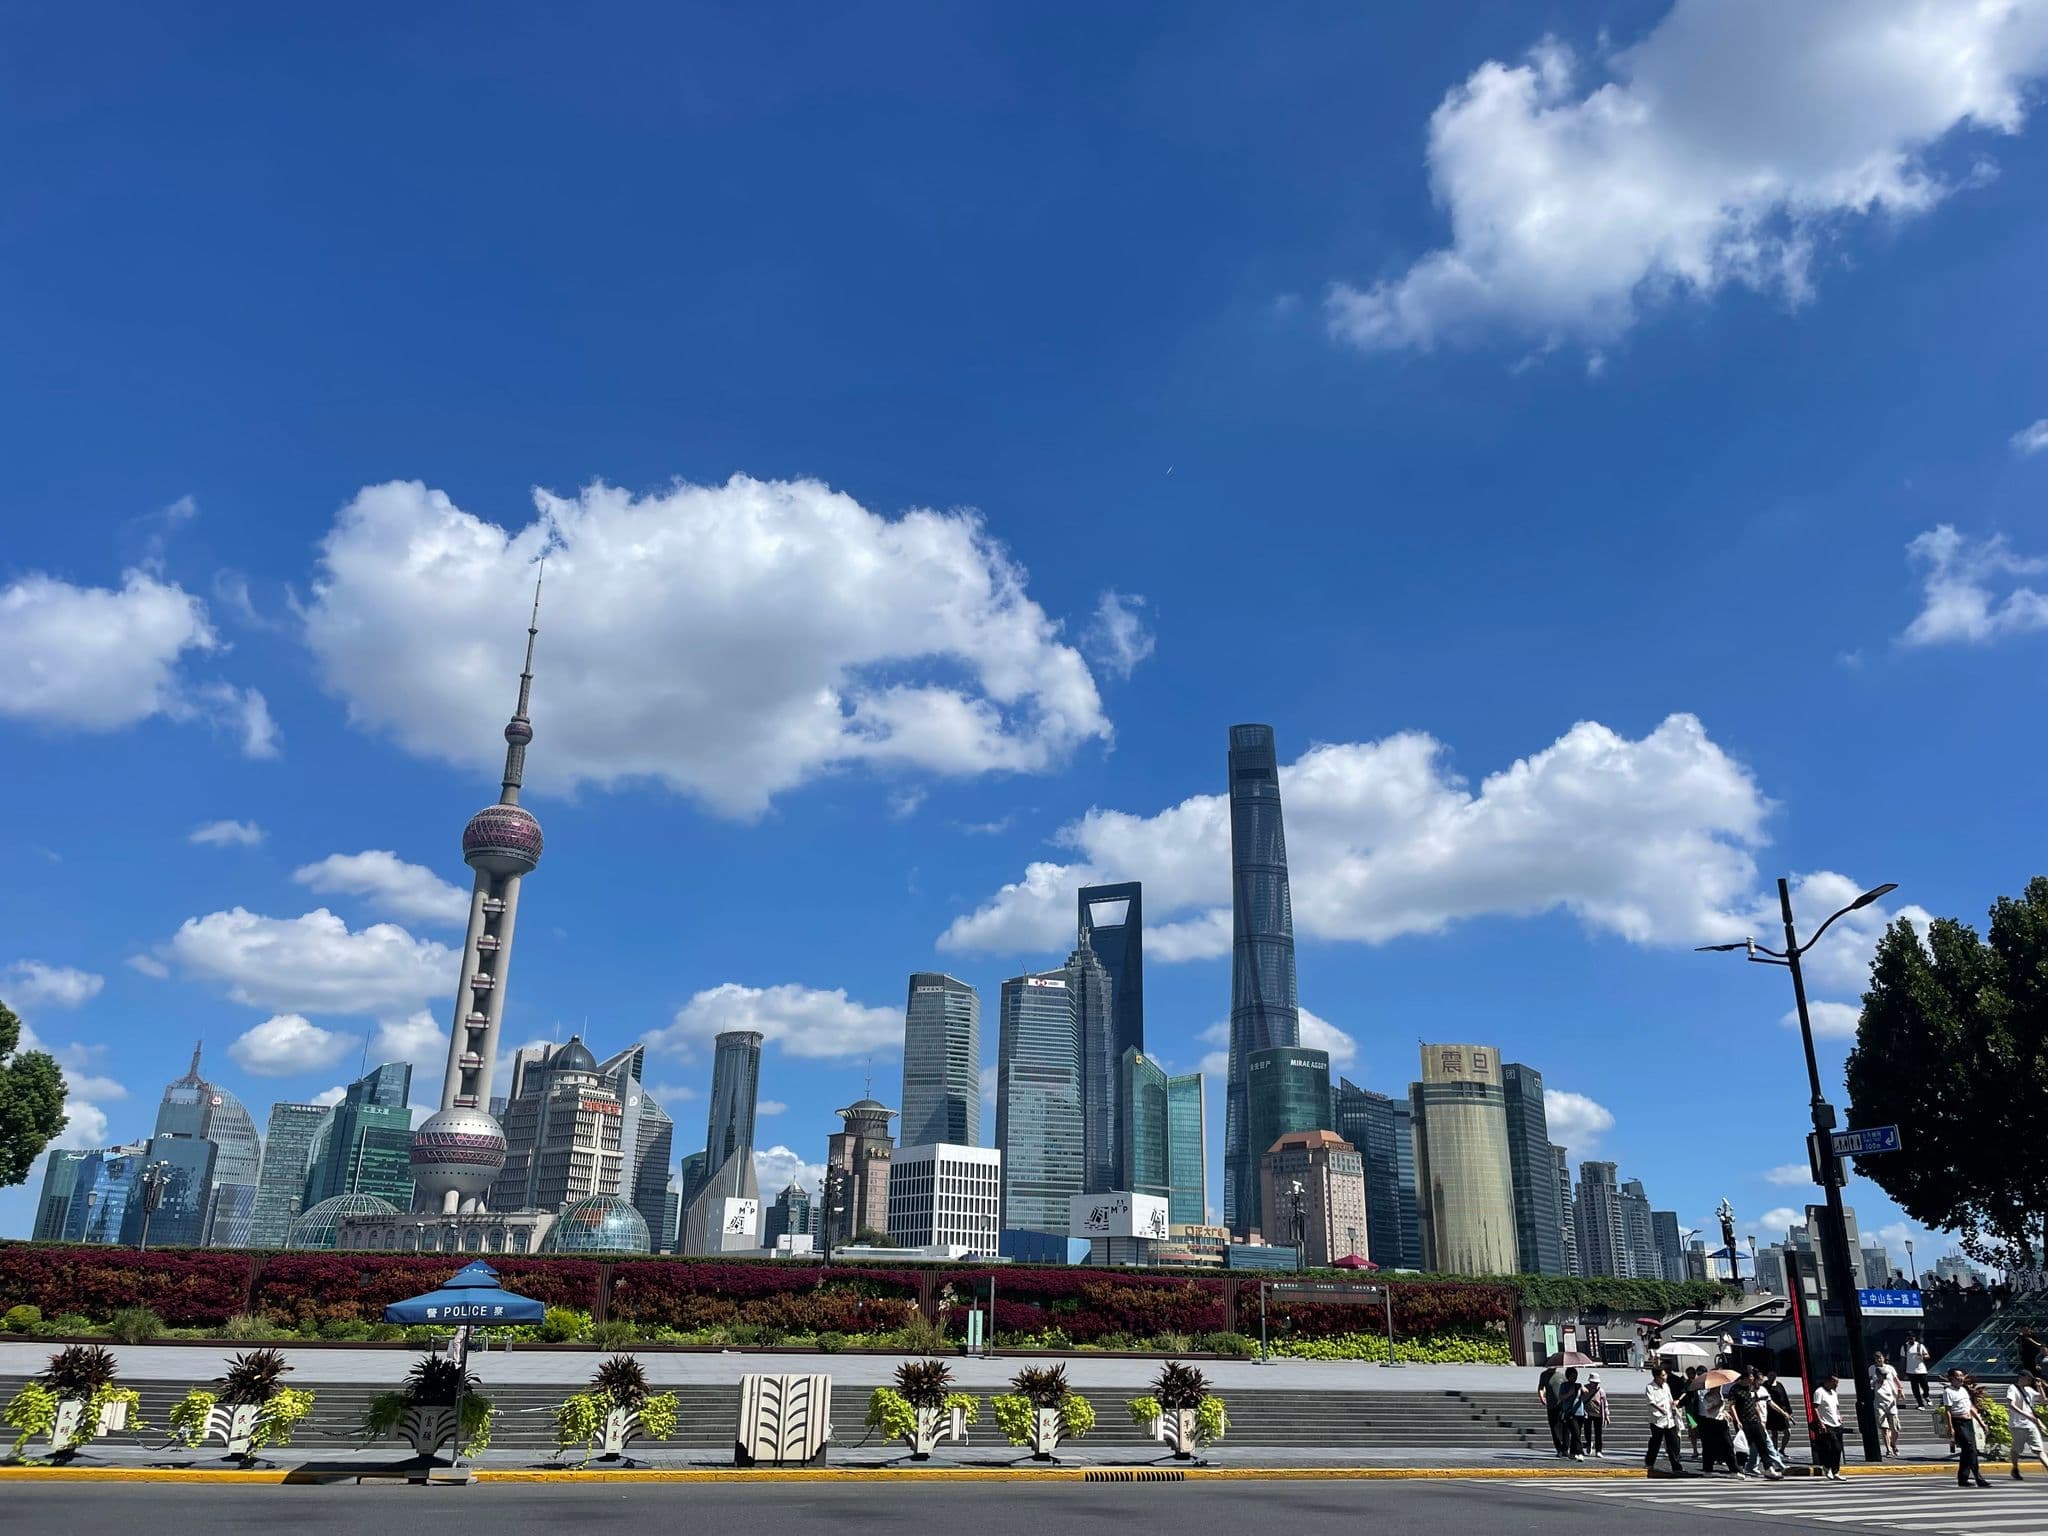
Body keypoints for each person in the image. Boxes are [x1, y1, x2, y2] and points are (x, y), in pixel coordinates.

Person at [1733, 1368, 1786, 1480]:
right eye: (1750, 1378)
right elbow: (1732, 1406)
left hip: (1755, 1420)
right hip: (1743, 1421)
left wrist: (1759, 1418)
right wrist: (1737, 1421)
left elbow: (1755, 1403)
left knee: (1762, 1444)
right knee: (1743, 1446)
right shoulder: (1736, 1389)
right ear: (1745, 1378)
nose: (1752, 1381)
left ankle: (1769, 1468)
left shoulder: (1751, 1389)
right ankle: (1741, 1468)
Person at [1945, 1368, 1991, 1489]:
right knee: (1970, 1449)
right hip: (1958, 1422)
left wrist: (1981, 1423)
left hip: (1968, 1421)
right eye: (1958, 1376)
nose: (1961, 1378)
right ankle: (1978, 1477)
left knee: (1968, 1450)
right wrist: (1951, 1428)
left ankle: (1963, 1478)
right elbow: (1948, 1411)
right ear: (1951, 1379)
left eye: (1962, 1376)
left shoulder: (1964, 1390)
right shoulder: (1948, 1391)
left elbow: (1970, 1407)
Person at [1645, 1365, 1687, 1477]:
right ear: (1657, 1376)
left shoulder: (1666, 1386)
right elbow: (1651, 1401)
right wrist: (1660, 1409)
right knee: (1655, 1443)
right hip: (1657, 1420)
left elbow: (1669, 1398)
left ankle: (1676, 1467)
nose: (1665, 1377)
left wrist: (1673, 1404)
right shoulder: (1650, 1387)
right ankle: (1649, 1463)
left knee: (1673, 1444)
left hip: (1669, 1419)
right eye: (1663, 1375)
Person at [2006, 1371, 2048, 1480]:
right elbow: (2011, 1404)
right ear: (2021, 1378)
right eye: (2028, 1379)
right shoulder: (2013, 1388)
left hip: (2031, 1425)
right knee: (2016, 1450)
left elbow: (2043, 1401)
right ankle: (2015, 1468)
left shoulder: (2029, 1390)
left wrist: (2039, 1387)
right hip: (2018, 1425)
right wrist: (2027, 1415)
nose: (2029, 1381)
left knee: (2039, 1450)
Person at [1812, 1374, 1845, 1481]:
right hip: (1826, 1423)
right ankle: (1827, 1467)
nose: (1836, 1385)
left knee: (1838, 1449)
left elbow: (1836, 1407)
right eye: (1835, 1383)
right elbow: (1815, 1408)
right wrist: (1820, 1422)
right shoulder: (1819, 1392)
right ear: (1829, 1381)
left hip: (1836, 1423)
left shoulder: (1834, 1393)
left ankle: (1836, 1471)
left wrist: (1839, 1415)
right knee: (1832, 1447)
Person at [1871, 1352, 1903, 1458]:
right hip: (1880, 1405)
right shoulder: (1874, 1382)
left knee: (1895, 1429)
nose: (1883, 1377)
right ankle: (1888, 1448)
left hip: (1891, 1404)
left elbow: (1896, 1383)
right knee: (1884, 1428)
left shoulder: (1889, 1373)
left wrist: (1899, 1391)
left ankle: (1893, 1443)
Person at [1558, 1366, 1586, 1460]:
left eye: (1576, 1376)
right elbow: (1561, 1398)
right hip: (1570, 1413)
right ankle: (1579, 1452)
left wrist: (1584, 1390)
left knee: (1576, 1434)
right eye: (1573, 1376)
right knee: (1576, 1432)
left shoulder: (1579, 1385)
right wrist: (1569, 1393)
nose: (1574, 1378)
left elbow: (1586, 1393)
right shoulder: (1564, 1385)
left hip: (1580, 1412)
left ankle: (1573, 1452)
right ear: (1568, 1376)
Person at [1763, 1367, 1792, 1456]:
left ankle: (1782, 1449)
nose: (1772, 1377)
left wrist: (1789, 1411)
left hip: (1782, 1411)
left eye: (1773, 1375)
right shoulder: (1764, 1385)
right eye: (1770, 1375)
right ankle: (1774, 1451)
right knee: (1774, 1433)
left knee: (1787, 1432)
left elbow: (1785, 1397)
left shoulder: (1779, 1385)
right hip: (1771, 1412)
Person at [1538, 1364, 1565, 1458]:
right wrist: (1541, 1397)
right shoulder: (1544, 1375)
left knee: (1564, 1426)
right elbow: (1541, 1388)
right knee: (1554, 1427)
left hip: (1562, 1405)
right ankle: (1559, 1449)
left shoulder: (1561, 1375)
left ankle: (1565, 1447)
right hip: (1551, 1405)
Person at [1583, 1372, 1610, 1457]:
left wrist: (1607, 1415)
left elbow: (1605, 1404)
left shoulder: (1601, 1391)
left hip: (1598, 1414)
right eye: (1593, 1382)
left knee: (1598, 1433)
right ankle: (1588, 1443)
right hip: (1587, 1413)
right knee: (1587, 1431)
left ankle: (1598, 1450)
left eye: (1596, 1383)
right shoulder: (1585, 1388)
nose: (1595, 1384)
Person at [1903, 1334, 1932, 1409]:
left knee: (1925, 1386)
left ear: (1915, 1338)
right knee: (1915, 1389)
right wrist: (1902, 1370)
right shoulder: (1905, 1347)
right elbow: (1902, 1358)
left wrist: (1922, 1356)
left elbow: (1928, 1356)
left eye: (1912, 1338)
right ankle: (1920, 1404)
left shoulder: (1920, 1346)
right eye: (1909, 1338)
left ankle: (1926, 1396)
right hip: (1911, 1371)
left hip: (1921, 1370)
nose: (1911, 1340)